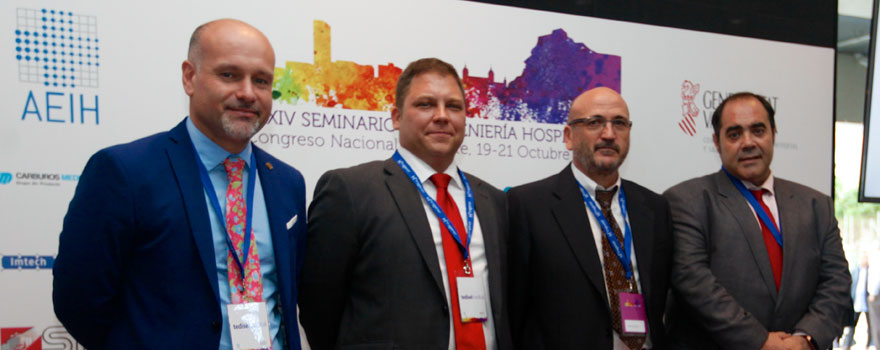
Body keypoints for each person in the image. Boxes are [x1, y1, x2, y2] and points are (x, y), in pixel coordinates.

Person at [52, 19, 307, 350]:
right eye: (229, 75)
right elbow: (79, 301)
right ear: (190, 77)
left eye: (261, 81)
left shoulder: (287, 182)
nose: (247, 93)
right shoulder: (125, 172)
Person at [300, 58, 511, 349]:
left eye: (453, 106)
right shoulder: (350, 191)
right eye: (425, 104)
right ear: (396, 117)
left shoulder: (494, 202)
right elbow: (318, 308)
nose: (441, 116)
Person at [664, 92, 850, 350]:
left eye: (758, 130)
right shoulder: (686, 201)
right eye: (734, 134)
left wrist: (806, 339)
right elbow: (694, 283)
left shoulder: (817, 205)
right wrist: (761, 342)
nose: (748, 142)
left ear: (773, 134)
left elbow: (836, 282)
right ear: (717, 142)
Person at [507, 87, 672, 350]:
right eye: (594, 123)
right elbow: (513, 310)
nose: (608, 134)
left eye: (619, 123)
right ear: (569, 136)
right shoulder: (527, 205)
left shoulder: (654, 207)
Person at [841, 255, 870, 350]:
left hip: (867, 302)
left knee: (871, 325)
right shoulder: (856, 270)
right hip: (856, 301)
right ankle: (847, 344)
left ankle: (869, 344)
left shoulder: (870, 271)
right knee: (852, 324)